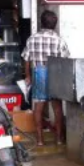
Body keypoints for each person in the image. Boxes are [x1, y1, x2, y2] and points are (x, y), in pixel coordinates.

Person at [22, 9, 70, 146]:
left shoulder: (32, 39)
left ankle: (40, 140)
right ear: (54, 24)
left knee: (38, 107)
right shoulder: (59, 40)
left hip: (39, 73)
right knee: (57, 107)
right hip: (55, 74)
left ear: (41, 23)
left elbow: (26, 59)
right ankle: (59, 139)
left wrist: (28, 75)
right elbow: (65, 60)